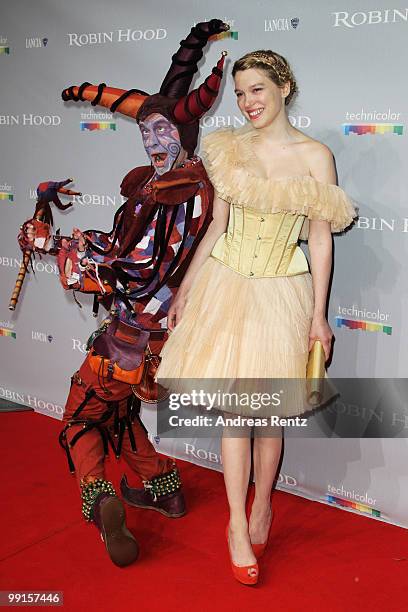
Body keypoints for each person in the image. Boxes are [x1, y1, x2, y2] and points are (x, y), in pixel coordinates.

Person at [18, 19, 229, 567]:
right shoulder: (188, 186)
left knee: (82, 418)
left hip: (136, 335)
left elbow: (134, 267)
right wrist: (65, 237)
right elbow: (124, 249)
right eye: (147, 132)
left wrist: (63, 248)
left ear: (184, 135)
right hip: (155, 342)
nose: (154, 141)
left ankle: (100, 498)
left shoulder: (177, 195)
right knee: (115, 408)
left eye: (164, 132)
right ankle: (163, 488)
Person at [156, 50, 357, 584]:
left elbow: (319, 240)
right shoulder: (229, 149)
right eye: (241, 93)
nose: (248, 103)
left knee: (268, 414)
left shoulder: (316, 157)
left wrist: (319, 316)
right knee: (234, 415)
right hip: (227, 286)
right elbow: (217, 226)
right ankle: (235, 525)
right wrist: (185, 291)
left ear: (284, 88)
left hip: (280, 291)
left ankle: (262, 503)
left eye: (258, 90)